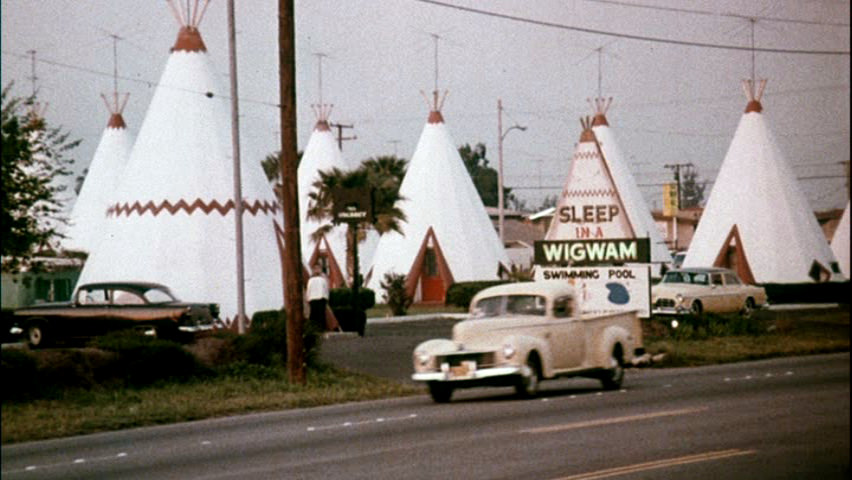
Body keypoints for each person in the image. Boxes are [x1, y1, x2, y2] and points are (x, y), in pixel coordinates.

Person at [306, 265, 330, 331]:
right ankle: (322, 329)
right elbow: (326, 289)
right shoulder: (323, 280)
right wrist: (327, 298)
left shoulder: (310, 280)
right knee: (321, 315)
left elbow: (308, 290)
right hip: (321, 298)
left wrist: (308, 298)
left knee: (313, 314)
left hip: (313, 299)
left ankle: (312, 328)